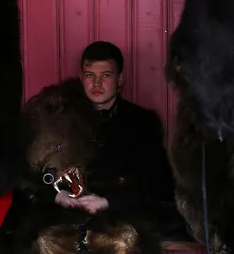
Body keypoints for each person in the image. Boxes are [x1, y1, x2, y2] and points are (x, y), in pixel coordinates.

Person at [53, 41, 189, 238]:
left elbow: (157, 182)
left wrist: (108, 202)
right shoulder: (60, 120)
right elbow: (37, 172)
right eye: (90, 75)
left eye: (106, 75)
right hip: (69, 215)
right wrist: (58, 195)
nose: (97, 83)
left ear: (120, 79)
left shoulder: (141, 122)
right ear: (81, 78)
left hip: (122, 216)